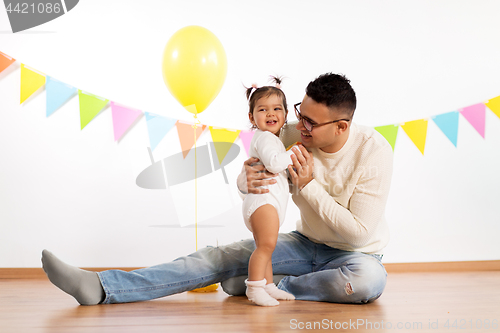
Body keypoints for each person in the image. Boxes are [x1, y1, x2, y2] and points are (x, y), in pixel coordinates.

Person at [41, 72, 392, 306]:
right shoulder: (288, 135)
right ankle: (104, 288)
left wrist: (309, 186)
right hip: (304, 243)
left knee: (367, 282)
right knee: (218, 256)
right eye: (300, 112)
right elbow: (254, 179)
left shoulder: (373, 153)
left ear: (342, 126)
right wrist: (245, 180)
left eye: (310, 122)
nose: (299, 124)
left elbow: (359, 235)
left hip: (353, 256)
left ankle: (272, 286)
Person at [241, 78, 296, 306]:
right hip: (263, 201)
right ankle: (254, 288)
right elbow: (274, 163)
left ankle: (269, 286)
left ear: (284, 115)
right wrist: (294, 153)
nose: (270, 114)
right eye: (262, 109)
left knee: (266, 246)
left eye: (277, 109)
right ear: (252, 117)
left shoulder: (272, 139)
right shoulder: (265, 138)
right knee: (266, 246)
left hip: (267, 200)